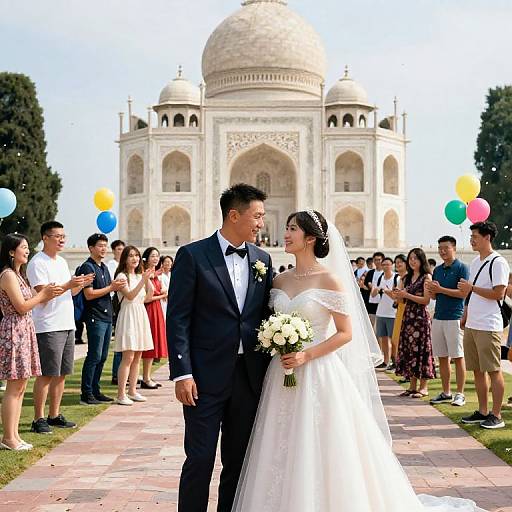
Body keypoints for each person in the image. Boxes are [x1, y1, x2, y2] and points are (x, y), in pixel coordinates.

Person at [232, 211, 486, 512]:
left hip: (317, 370)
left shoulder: (329, 279)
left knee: (321, 443)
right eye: (286, 228)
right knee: (279, 441)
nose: (284, 234)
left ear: (311, 238)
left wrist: (306, 354)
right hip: (283, 371)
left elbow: (345, 333)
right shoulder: (279, 280)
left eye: (291, 229)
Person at [167, 183, 272, 512]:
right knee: (199, 459)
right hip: (204, 378)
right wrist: (182, 372)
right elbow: (178, 318)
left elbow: (264, 316)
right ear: (234, 215)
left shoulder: (263, 259)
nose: (261, 224)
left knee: (238, 461)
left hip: (248, 378)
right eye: (257, 216)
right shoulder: (193, 255)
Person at [27, 221, 94, 434]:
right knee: (46, 373)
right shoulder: (38, 263)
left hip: (66, 322)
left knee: (62, 373)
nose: (62, 239)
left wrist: (79, 284)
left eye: (63, 236)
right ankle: (38, 418)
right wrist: (69, 284)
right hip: (48, 325)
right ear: (45, 238)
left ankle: (54, 414)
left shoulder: (62, 262)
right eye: (57, 236)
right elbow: (43, 295)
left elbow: (69, 293)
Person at [0, 234, 62, 450]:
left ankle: (14, 436)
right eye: (23, 247)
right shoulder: (8, 275)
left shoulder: (19, 275)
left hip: (24, 329)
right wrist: (43, 294)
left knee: (21, 385)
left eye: (28, 247)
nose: (27, 250)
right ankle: (8, 437)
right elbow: (22, 306)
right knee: (14, 386)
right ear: (11, 251)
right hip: (14, 331)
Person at [457, 222, 510, 429]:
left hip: (489, 324)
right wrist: (465, 315)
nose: (471, 240)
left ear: (487, 237)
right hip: (473, 323)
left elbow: (499, 293)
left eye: (475, 236)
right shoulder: (476, 262)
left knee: (493, 370)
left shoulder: (498, 262)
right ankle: (483, 411)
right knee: (477, 371)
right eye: (471, 236)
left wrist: (472, 288)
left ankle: (497, 415)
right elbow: (470, 294)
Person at [78, 234, 126, 405]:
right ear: (91, 248)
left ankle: (96, 390)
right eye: (100, 246)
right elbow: (88, 294)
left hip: (106, 317)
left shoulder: (104, 267)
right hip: (94, 316)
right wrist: (111, 287)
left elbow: (108, 290)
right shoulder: (87, 267)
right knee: (94, 355)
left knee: (103, 356)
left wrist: (114, 288)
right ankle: (87, 393)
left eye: (105, 245)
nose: (104, 249)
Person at [426, 236, 469, 407]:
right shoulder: (437, 270)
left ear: (454, 248)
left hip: (454, 317)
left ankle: (460, 394)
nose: (442, 251)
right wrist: (431, 290)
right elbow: (435, 296)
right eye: (440, 248)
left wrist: (440, 289)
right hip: (438, 317)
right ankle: (446, 392)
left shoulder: (462, 268)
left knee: (458, 357)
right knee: (442, 357)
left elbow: (463, 293)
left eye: (446, 248)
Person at [113, 246, 154, 405]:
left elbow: (148, 297)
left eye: (137, 256)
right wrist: (143, 280)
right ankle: (121, 393)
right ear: (125, 258)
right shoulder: (122, 276)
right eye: (131, 256)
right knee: (128, 357)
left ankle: (132, 390)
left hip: (140, 314)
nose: (135, 259)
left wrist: (147, 279)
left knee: (137, 356)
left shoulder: (138, 276)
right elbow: (129, 295)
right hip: (128, 315)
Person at [394, 248, 435, 398]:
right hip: (408, 317)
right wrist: (397, 295)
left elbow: (426, 300)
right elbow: (401, 300)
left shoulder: (426, 277)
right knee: (410, 350)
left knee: (422, 350)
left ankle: (423, 387)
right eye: (410, 258)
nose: (412, 261)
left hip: (420, 319)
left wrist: (407, 295)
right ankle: (412, 386)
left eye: (415, 259)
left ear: (421, 260)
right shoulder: (407, 278)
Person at [141, 247, 168, 388]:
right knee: (148, 344)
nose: (155, 258)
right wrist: (163, 295)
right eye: (152, 256)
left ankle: (147, 376)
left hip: (156, 309)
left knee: (154, 343)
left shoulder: (156, 274)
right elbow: (147, 297)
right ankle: (145, 377)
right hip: (149, 309)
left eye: (157, 256)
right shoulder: (145, 273)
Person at [372, 257, 399, 370]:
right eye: (384, 265)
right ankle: (385, 361)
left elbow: (396, 296)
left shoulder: (396, 278)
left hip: (392, 313)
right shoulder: (379, 278)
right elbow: (373, 295)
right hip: (381, 312)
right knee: (382, 338)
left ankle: (395, 362)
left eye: (388, 264)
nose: (386, 267)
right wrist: (376, 289)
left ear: (392, 265)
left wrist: (386, 291)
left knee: (393, 340)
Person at [107, 239, 125, 384]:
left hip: (124, 303)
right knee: (120, 341)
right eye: (118, 249)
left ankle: (124, 373)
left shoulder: (125, 267)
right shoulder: (111, 265)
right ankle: (116, 374)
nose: (121, 251)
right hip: (115, 303)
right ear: (113, 250)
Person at [390, 254, 408, 376]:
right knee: (397, 340)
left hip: (407, 311)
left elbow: (403, 297)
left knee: (404, 341)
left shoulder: (407, 278)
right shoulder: (399, 279)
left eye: (401, 262)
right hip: (400, 310)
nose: (398, 264)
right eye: (396, 262)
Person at [363, 251, 385, 329]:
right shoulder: (370, 273)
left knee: (380, 326)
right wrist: (369, 287)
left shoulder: (386, 273)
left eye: (379, 259)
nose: (377, 262)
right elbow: (365, 286)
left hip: (382, 302)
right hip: (371, 303)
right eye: (375, 260)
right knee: (371, 325)